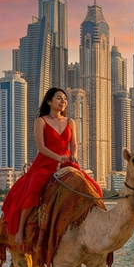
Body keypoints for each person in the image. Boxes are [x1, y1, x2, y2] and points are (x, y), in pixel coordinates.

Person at [1, 87, 102, 245]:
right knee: (33, 188)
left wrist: (72, 157)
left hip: (67, 162)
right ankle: (20, 230)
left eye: (65, 99)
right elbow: (41, 147)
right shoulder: (40, 121)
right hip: (46, 162)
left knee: (93, 188)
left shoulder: (70, 122)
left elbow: (74, 144)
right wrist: (57, 158)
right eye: (59, 98)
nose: (63, 101)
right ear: (49, 101)